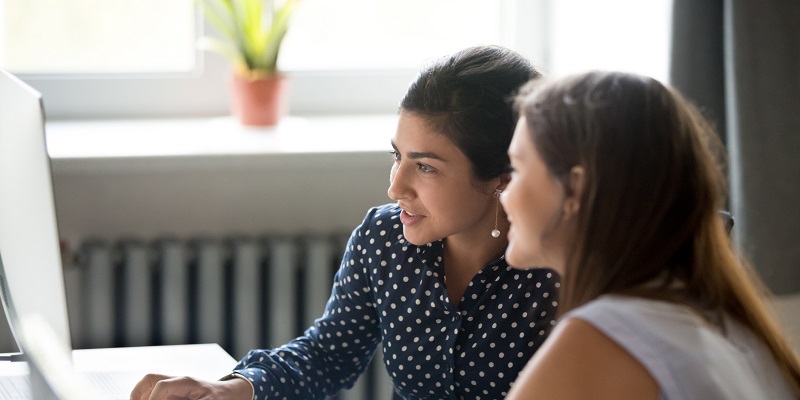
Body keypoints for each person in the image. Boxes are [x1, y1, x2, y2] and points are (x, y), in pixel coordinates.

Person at [130, 45, 560, 400]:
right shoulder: (385, 238)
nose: (396, 189)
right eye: (398, 156)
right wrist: (230, 390)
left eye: (426, 167)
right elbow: (327, 356)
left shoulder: (559, 270)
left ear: (502, 177)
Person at [500, 70, 800, 399]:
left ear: (575, 187)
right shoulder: (737, 335)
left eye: (516, 169)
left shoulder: (602, 339)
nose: (503, 195)